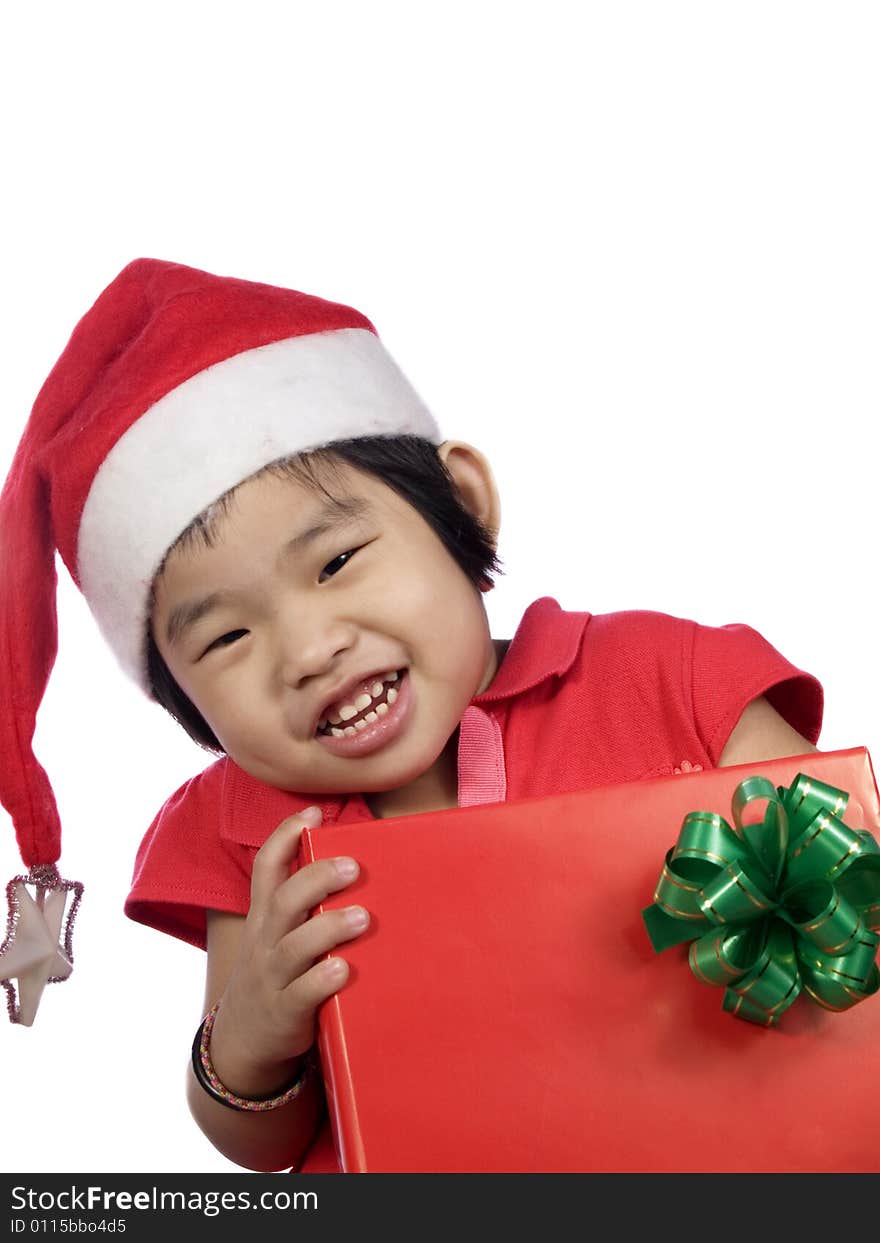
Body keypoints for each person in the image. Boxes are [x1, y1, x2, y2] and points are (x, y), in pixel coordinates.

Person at [0, 258, 822, 1173]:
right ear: (178, 696)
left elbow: (850, 890)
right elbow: (258, 1140)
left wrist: (761, 879)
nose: (309, 650)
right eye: (227, 637)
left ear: (461, 505)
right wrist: (254, 1034)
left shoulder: (670, 679)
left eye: (337, 561)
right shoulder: (249, 832)